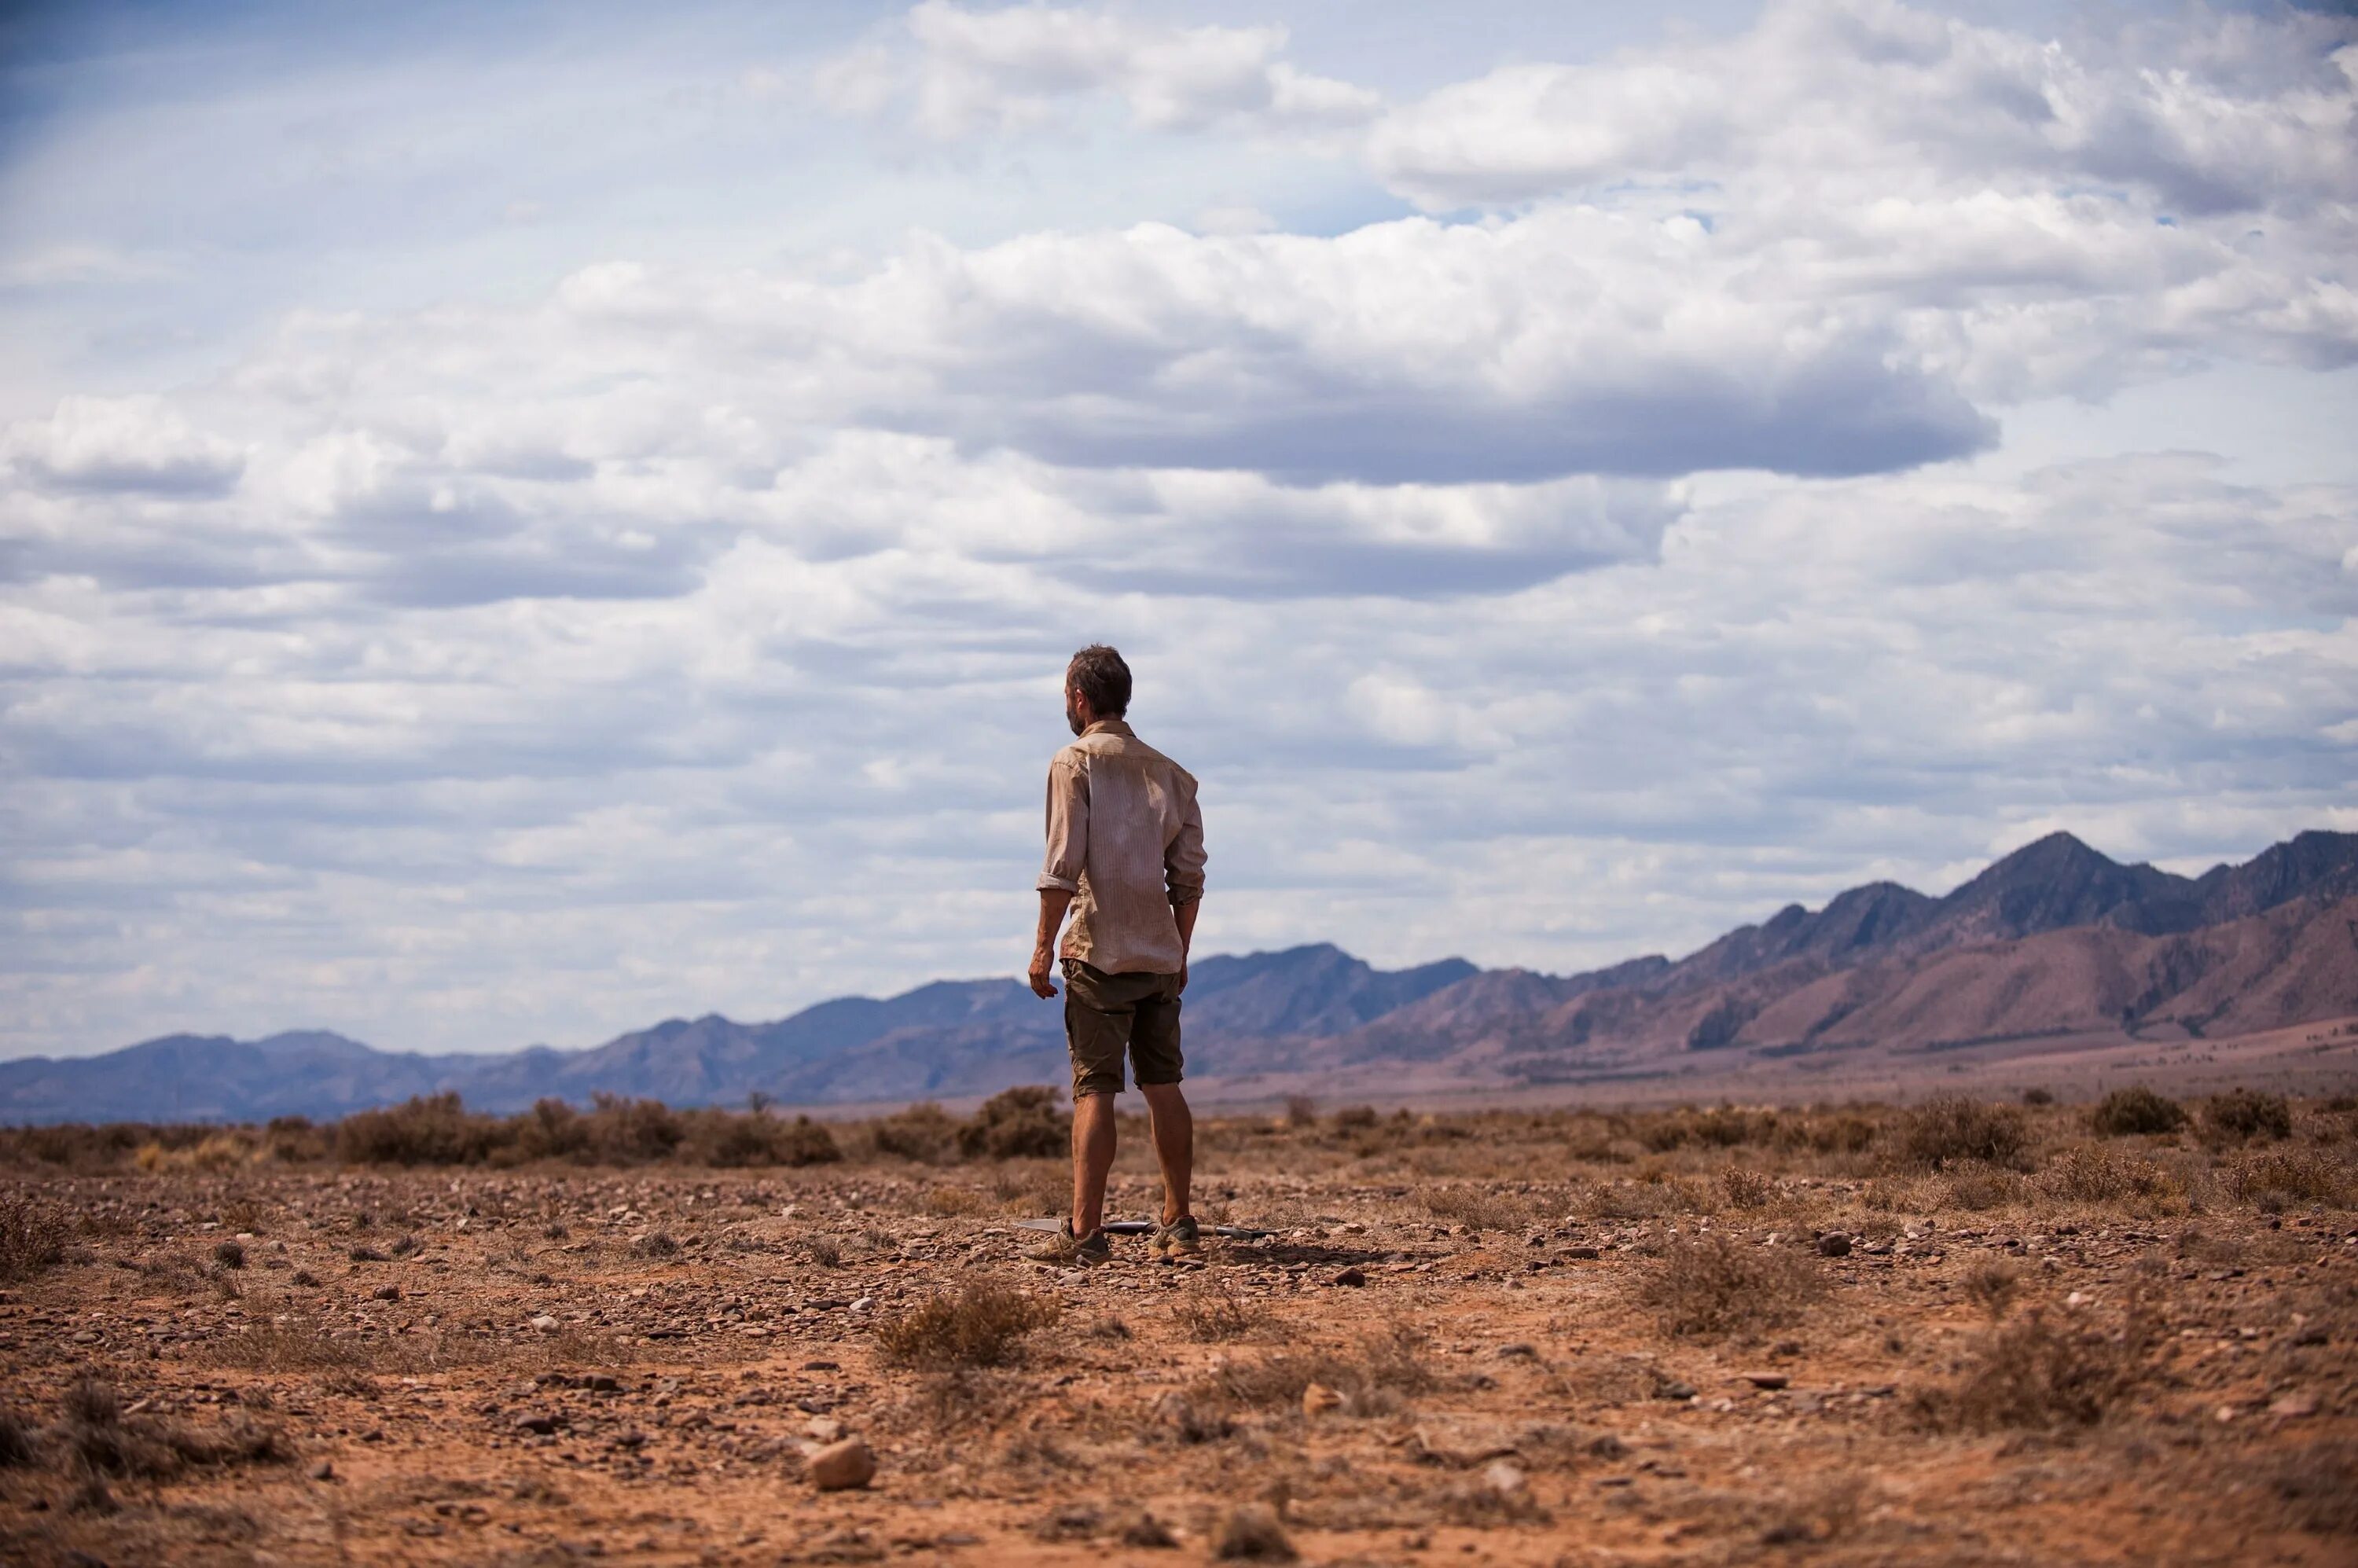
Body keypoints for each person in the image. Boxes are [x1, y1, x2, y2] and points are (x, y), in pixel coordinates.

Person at [1027, 644, 1207, 1265]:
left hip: (1098, 951)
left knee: (1095, 1090)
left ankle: (1085, 1231)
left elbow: (1061, 864)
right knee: (1165, 1086)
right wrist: (1178, 952)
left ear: (1079, 698)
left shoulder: (1073, 762)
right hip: (1158, 955)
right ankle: (1179, 1221)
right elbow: (1188, 880)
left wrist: (1043, 946)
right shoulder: (1173, 774)